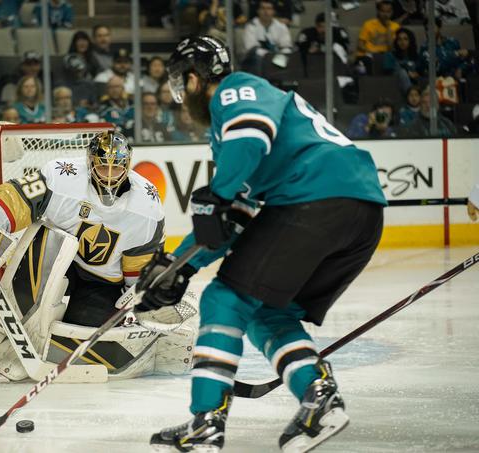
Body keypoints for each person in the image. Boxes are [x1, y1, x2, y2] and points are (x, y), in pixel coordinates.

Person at [135, 36, 386, 452]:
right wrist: (177, 267)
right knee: (265, 311)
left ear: (196, 79)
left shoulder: (235, 91)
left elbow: (248, 142)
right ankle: (318, 398)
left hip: (314, 199)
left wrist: (218, 193)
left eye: (182, 85)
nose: (182, 99)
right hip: (361, 213)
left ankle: (206, 422)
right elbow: (233, 218)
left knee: (224, 299)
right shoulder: (239, 139)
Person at [0, 131, 195, 381]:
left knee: (82, 328)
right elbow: (12, 197)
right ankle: (15, 335)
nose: (110, 176)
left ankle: (41, 343)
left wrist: (135, 301)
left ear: (127, 166)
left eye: (117, 168)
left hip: (102, 282)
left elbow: (140, 265)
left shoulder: (146, 206)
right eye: (104, 167)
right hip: (57, 260)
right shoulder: (62, 176)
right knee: (42, 246)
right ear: (91, 163)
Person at [241, 0, 293, 74]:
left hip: (277, 58)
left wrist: (280, 55)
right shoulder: (251, 26)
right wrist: (269, 56)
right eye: (263, 8)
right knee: (257, 58)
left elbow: (286, 46)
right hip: (254, 59)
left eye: (269, 8)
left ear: (274, 11)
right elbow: (251, 48)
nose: (266, 11)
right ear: (258, 11)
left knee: (287, 56)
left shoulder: (281, 26)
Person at [355, 0, 400, 75]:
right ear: (378, 11)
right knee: (368, 62)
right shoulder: (369, 24)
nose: (385, 14)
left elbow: (391, 48)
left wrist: (388, 28)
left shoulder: (395, 27)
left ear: (392, 12)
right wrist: (372, 52)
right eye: (383, 11)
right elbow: (360, 45)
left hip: (385, 57)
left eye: (388, 12)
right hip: (367, 55)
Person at [383, 28, 419, 93]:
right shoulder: (390, 55)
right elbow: (387, 72)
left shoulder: (415, 56)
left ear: (410, 41)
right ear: (396, 41)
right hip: (395, 83)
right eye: (399, 39)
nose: (402, 42)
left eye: (405, 39)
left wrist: (417, 73)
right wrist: (407, 73)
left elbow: (419, 70)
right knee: (402, 72)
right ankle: (411, 94)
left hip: (415, 82)